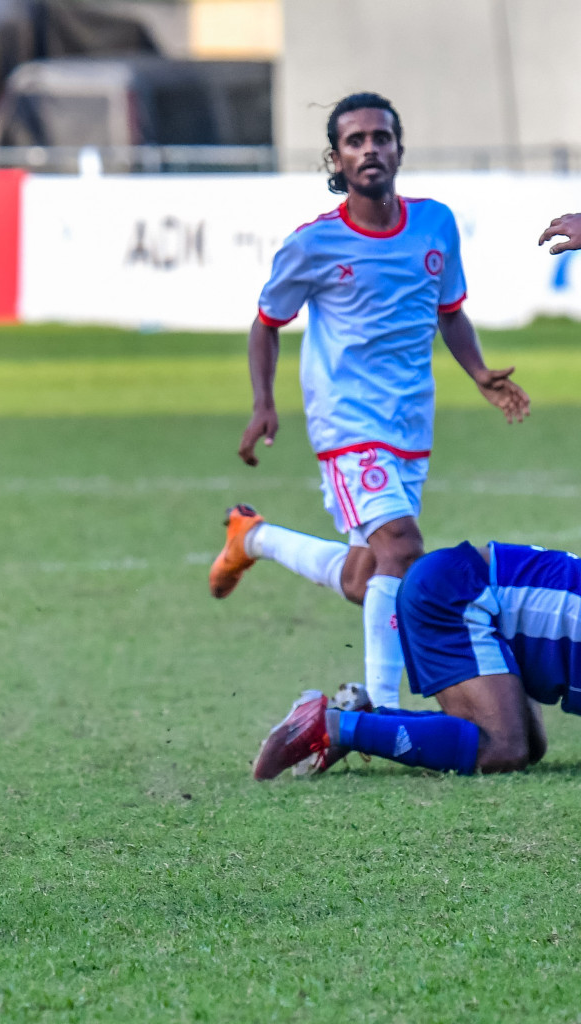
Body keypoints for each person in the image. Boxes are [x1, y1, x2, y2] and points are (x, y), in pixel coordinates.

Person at [209, 92, 529, 711]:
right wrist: (262, 404)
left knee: (370, 577)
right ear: (336, 158)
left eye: (380, 138)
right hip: (347, 422)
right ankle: (379, 708)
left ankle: (252, 538)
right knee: (403, 549)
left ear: (399, 149)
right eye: (355, 141)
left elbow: (451, 314)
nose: (369, 149)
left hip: (410, 421)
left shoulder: (436, 223)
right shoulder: (314, 244)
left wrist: (481, 372)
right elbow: (266, 323)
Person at [253, 540, 580, 779]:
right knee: (502, 749)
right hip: (452, 593)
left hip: (461, 587)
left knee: (526, 745)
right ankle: (331, 727)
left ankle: (365, 718)